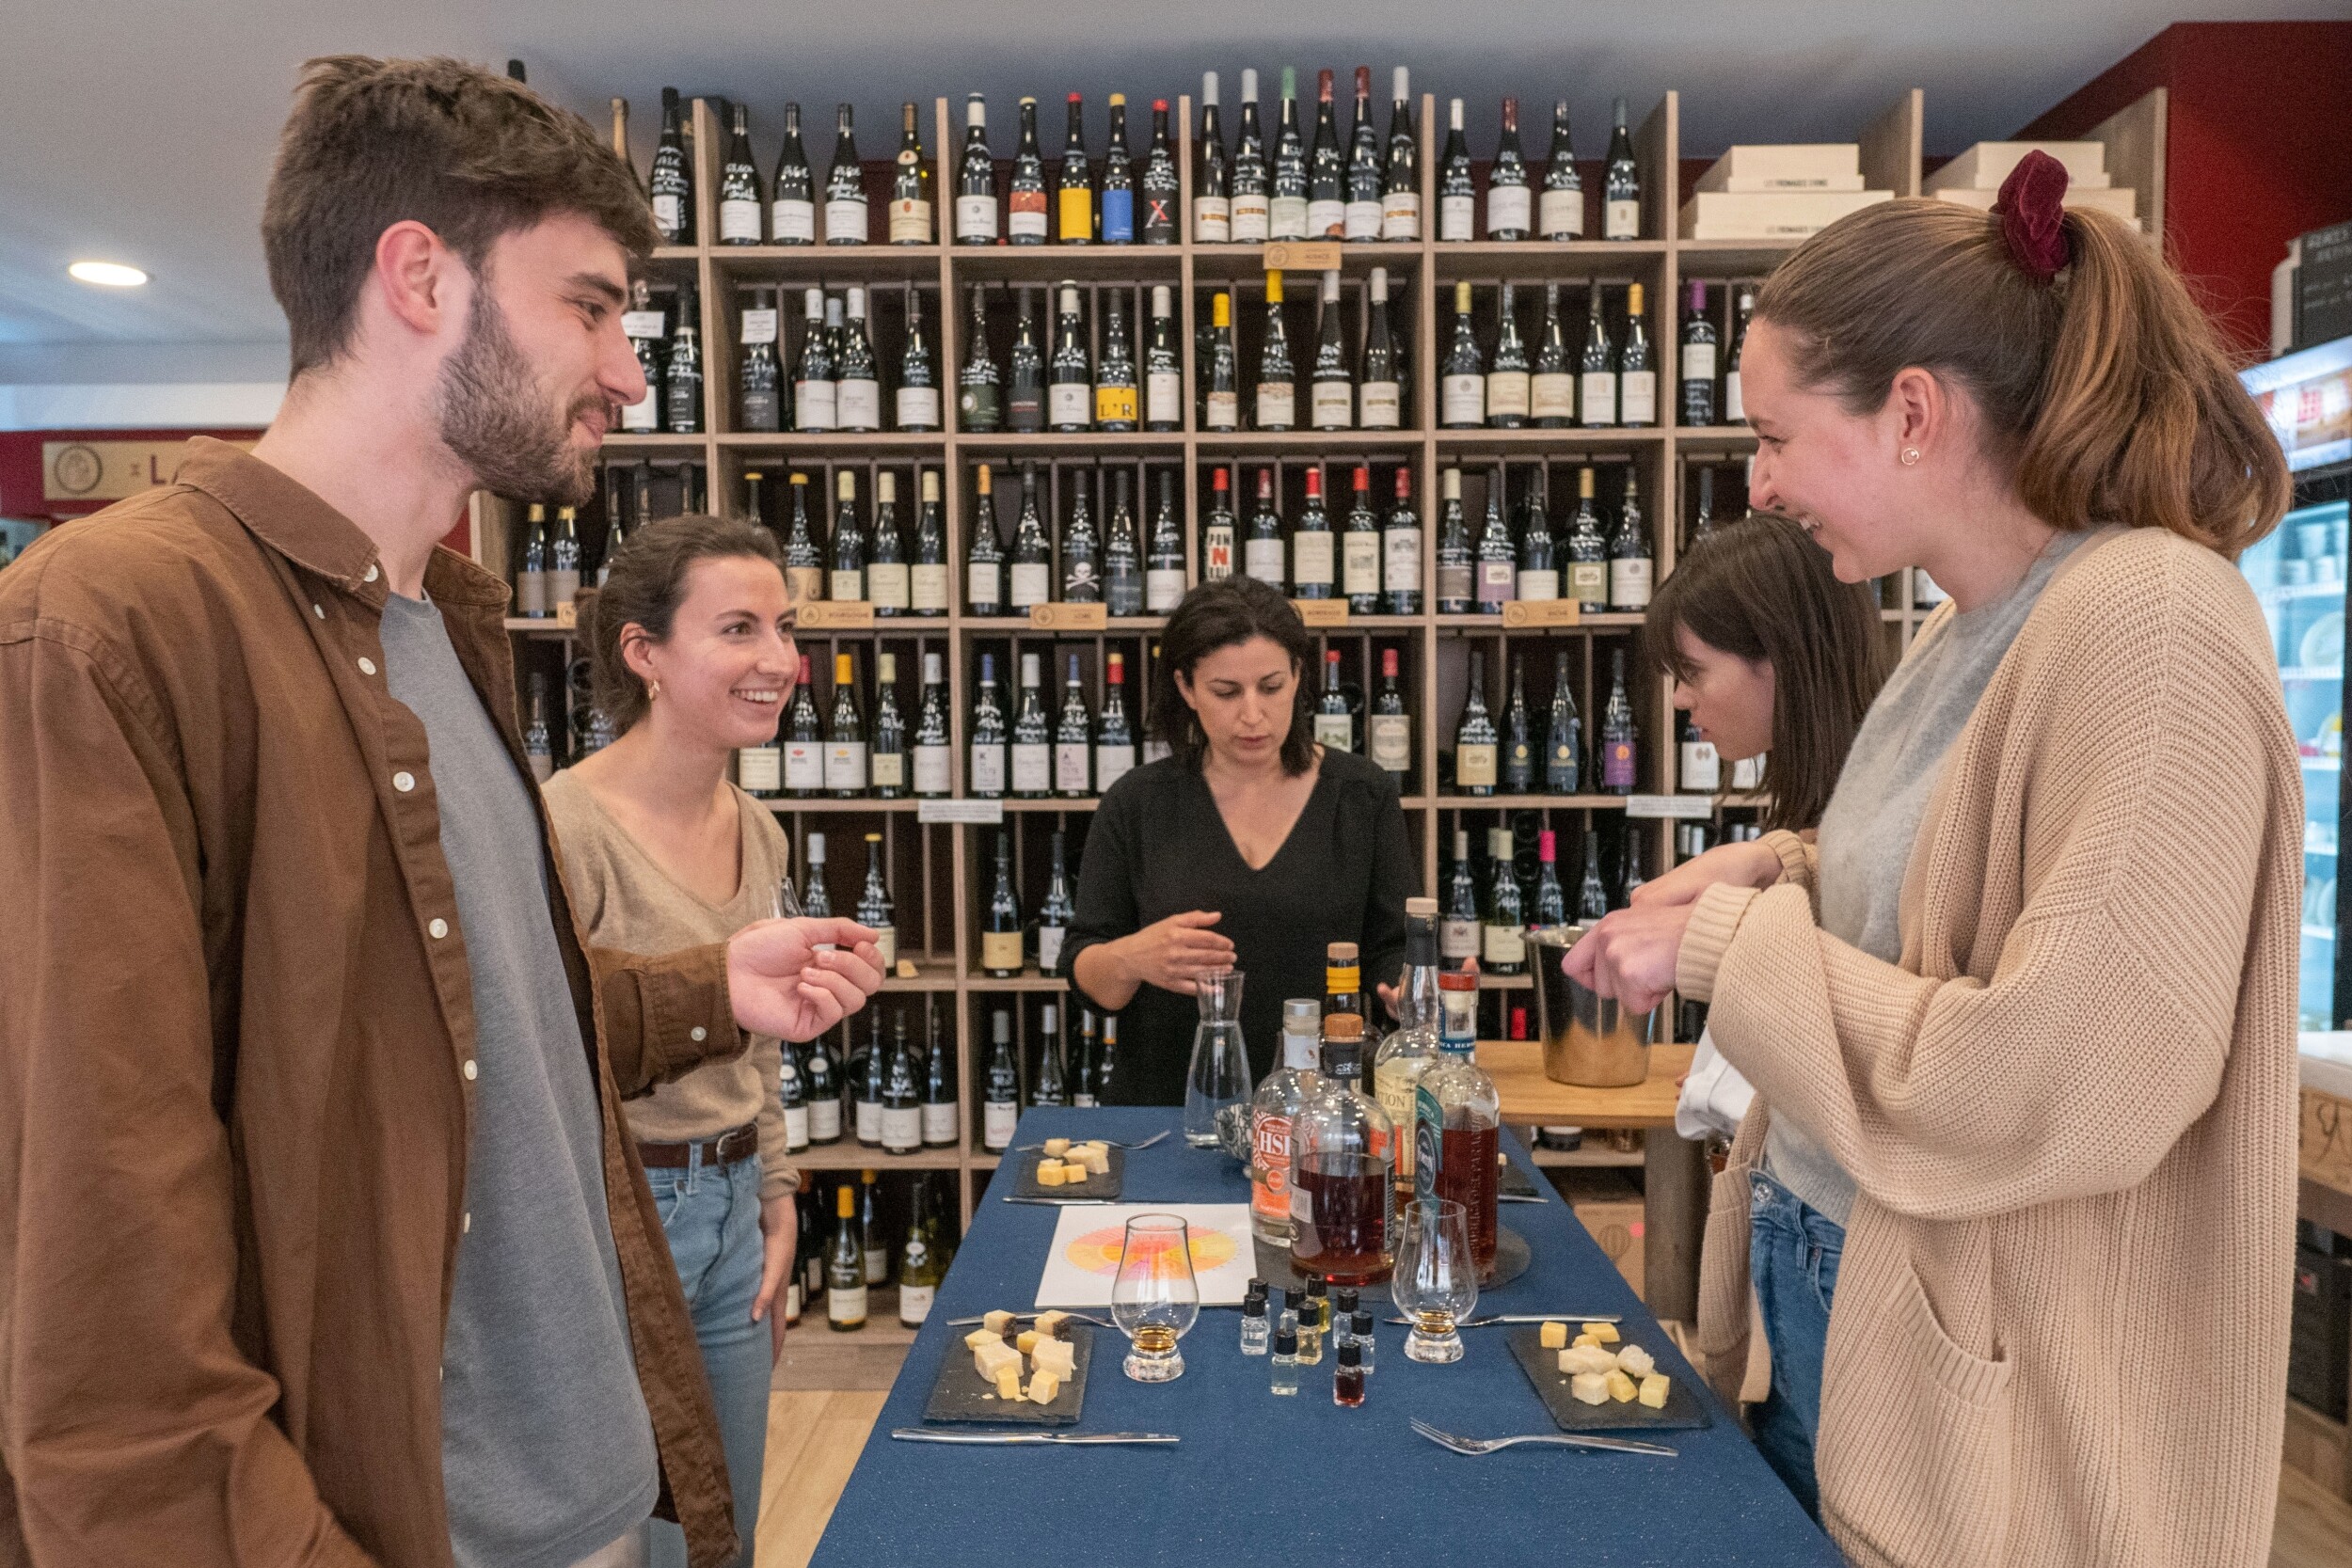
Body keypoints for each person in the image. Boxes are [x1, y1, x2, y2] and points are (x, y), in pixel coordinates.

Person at [0, 57, 882, 1568]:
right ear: (418, 276)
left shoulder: (447, 626)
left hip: (606, 1493)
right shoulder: (112, 625)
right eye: (589, 308)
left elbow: (444, 1036)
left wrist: (699, 992)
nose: (624, 372)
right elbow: (108, 1311)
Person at [1568, 152, 2296, 1565]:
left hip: (1986, 1398)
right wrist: (1775, 869)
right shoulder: (1973, 624)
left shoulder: (2150, 625)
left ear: (1912, 411)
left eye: (1776, 435)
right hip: (1842, 1298)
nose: (1762, 486)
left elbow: (2057, 1080)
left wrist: (1725, 948)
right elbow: (1937, 889)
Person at [543, 515, 806, 1568]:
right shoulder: (566, 827)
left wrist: (778, 1187)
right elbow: (548, 1056)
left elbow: (760, 1043)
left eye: (785, 627)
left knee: (718, 1534)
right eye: (738, 628)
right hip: (618, 1218)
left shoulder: (758, 822)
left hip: (734, 1206)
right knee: (622, 1543)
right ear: (643, 652)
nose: (779, 660)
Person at [1068, 576, 1414, 1100]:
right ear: (1186, 688)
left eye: (1271, 687)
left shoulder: (1362, 795)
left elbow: (1392, 948)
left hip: (1320, 1113)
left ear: (1299, 676)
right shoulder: (1137, 803)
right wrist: (1133, 958)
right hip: (1166, 1116)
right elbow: (1089, 978)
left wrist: (1408, 989)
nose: (1252, 715)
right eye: (1226, 692)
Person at [1647, 513, 1887, 1150]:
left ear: (1778, 656)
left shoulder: (1873, 832)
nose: (1678, 699)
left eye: (1692, 671)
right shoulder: (1821, 815)